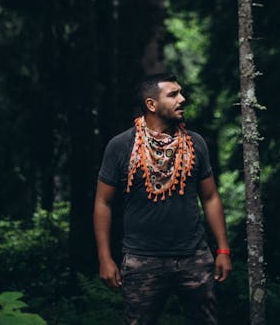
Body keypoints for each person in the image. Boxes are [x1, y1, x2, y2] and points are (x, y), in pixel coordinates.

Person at [93, 74, 232, 325]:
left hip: (194, 257)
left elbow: (210, 197)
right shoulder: (121, 146)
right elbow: (103, 203)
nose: (183, 99)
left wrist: (222, 249)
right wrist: (105, 258)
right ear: (151, 105)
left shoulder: (196, 144)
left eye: (181, 92)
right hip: (141, 260)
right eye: (173, 94)